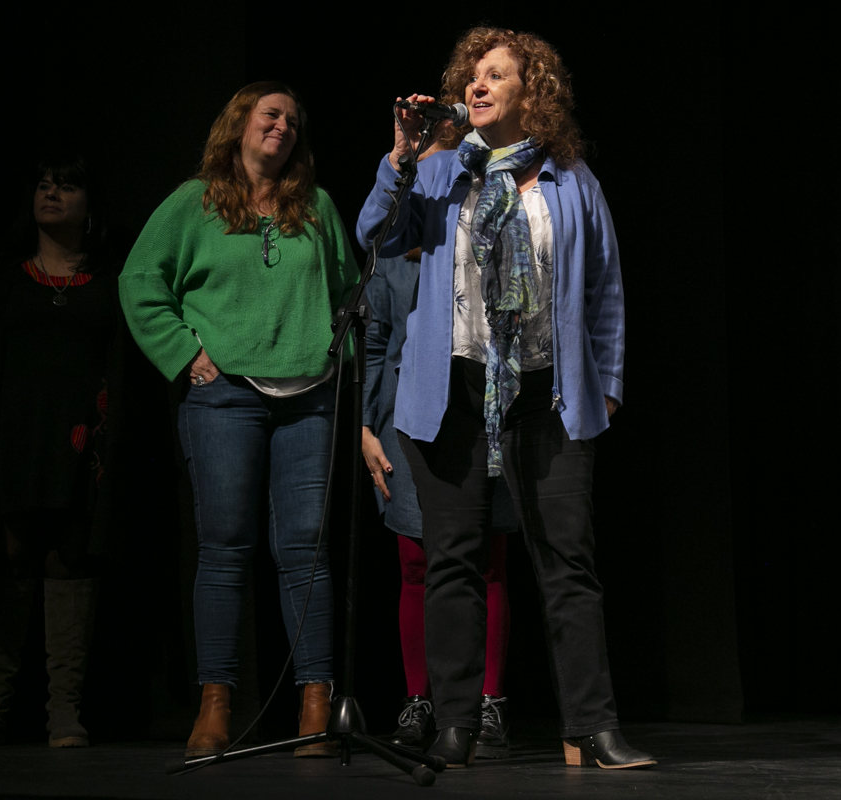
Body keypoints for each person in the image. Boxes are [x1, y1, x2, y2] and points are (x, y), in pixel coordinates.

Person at [357, 27, 653, 769]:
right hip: (452, 388)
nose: (478, 85)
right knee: (452, 561)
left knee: (567, 562)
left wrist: (609, 385)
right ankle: (456, 726)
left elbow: (606, 287)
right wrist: (400, 156)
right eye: (473, 75)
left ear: (533, 92)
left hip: (548, 390)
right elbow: (376, 237)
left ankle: (593, 726)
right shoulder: (437, 173)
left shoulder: (570, 179)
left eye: (497, 75)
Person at [120, 81, 358, 758]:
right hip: (224, 395)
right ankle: (215, 704)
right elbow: (140, 282)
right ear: (239, 124)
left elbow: (349, 293)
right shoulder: (194, 203)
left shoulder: (315, 206)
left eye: (293, 121)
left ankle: (315, 704)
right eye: (270, 115)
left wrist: (337, 358)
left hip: (309, 397)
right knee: (225, 547)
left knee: (306, 550)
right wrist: (185, 356)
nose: (282, 126)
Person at [0, 155, 118, 749]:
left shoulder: (109, 281)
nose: (52, 193)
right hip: (13, 445)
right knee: (10, 558)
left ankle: (64, 711)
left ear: (88, 202)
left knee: (69, 560)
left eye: (67, 185)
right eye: (44, 184)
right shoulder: (3, 279)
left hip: (79, 445)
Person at [363, 232, 518, 758]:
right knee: (415, 563)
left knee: (486, 560)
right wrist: (365, 425)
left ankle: (488, 701)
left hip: (485, 411)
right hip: (409, 417)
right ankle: (419, 700)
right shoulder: (392, 256)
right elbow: (375, 344)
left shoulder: (489, 232)